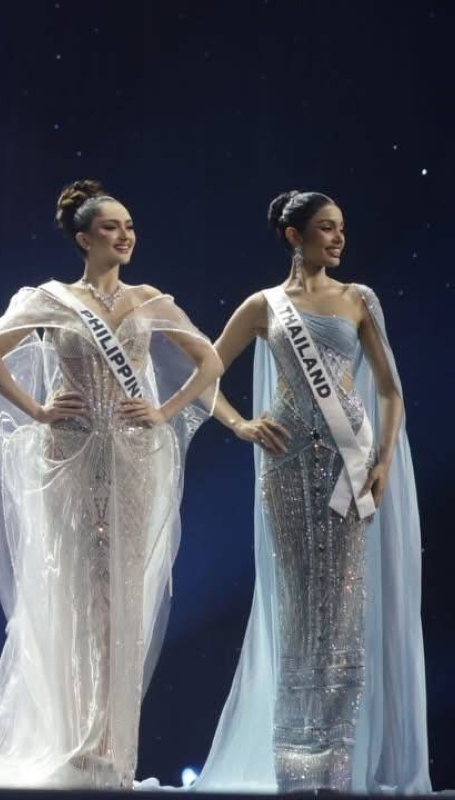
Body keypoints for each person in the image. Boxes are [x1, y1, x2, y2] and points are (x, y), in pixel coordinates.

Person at [0, 179, 219, 788]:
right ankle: (75, 738)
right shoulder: (50, 300)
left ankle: (111, 745)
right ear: (84, 238)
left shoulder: (148, 300)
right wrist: (38, 408)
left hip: (131, 460)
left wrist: (163, 410)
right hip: (70, 458)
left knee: (122, 596)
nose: (125, 235)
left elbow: (209, 359)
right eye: (111, 227)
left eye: (129, 226)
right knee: (75, 595)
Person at [193, 191, 430, 793]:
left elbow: (390, 390)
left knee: (343, 611)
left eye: (341, 228)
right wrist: (241, 424)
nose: (339, 237)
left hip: (350, 468)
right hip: (287, 466)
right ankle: (297, 765)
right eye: (326, 228)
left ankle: (335, 765)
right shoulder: (263, 305)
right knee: (300, 609)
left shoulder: (358, 299)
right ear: (293, 236)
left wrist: (383, 460)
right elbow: (203, 378)